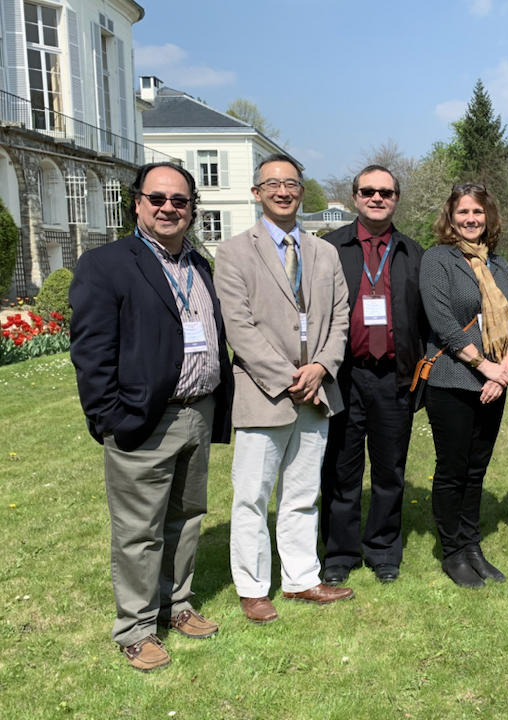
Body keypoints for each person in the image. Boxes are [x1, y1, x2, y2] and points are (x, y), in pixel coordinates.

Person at [69, 162, 233, 672]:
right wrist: (109, 418)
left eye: (179, 201)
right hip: (144, 420)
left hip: (198, 413)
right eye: (157, 198)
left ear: (191, 210)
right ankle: (136, 629)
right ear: (137, 202)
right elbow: (91, 353)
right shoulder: (107, 264)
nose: (168, 208)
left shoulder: (199, 265)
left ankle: (176, 604)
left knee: (186, 519)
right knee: (139, 530)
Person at [214, 153, 354, 624]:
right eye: (272, 183)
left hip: (316, 392)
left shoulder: (324, 252)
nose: (282, 191)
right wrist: (288, 377)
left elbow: (339, 317)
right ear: (257, 192)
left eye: (291, 183)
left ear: (301, 190)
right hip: (263, 392)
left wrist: (320, 368)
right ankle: (252, 587)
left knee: (301, 492)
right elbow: (239, 327)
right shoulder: (233, 252)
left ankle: (300, 579)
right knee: (252, 494)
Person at [320, 165, 427, 585]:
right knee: (341, 470)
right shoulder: (329, 249)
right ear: (354, 197)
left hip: (395, 379)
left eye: (386, 192)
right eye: (368, 191)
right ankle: (340, 553)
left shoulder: (413, 253)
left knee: (389, 470)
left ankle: (383, 549)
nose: (377, 198)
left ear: (396, 198)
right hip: (345, 376)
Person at [419, 183, 508, 587]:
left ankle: (472, 543)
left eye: (478, 212)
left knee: (476, 470)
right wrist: (484, 367)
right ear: (451, 217)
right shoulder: (437, 260)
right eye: (463, 212)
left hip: (495, 383)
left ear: (488, 217)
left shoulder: (500, 264)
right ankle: (452, 552)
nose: (471, 219)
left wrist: (504, 370)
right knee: (452, 470)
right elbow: (443, 323)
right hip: (454, 381)